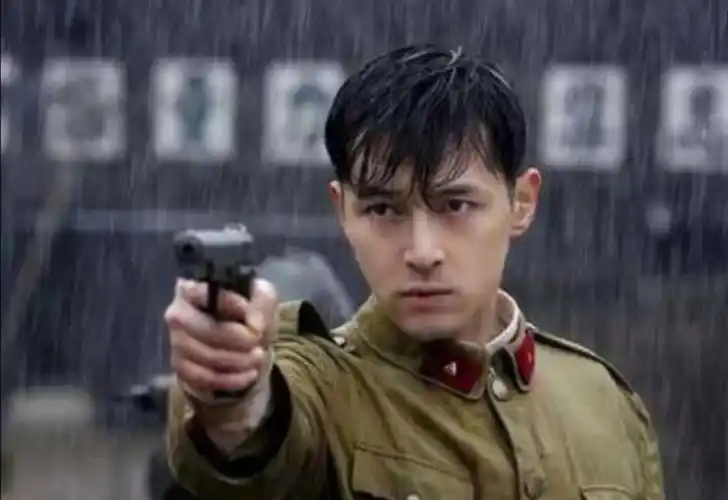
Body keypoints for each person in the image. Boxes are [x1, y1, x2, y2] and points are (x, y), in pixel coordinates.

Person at [163, 45, 665, 499]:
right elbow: (252, 441)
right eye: (383, 209)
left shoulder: (602, 402)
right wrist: (233, 390)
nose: (422, 252)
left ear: (521, 202)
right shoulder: (326, 390)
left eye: (456, 205)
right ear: (343, 212)